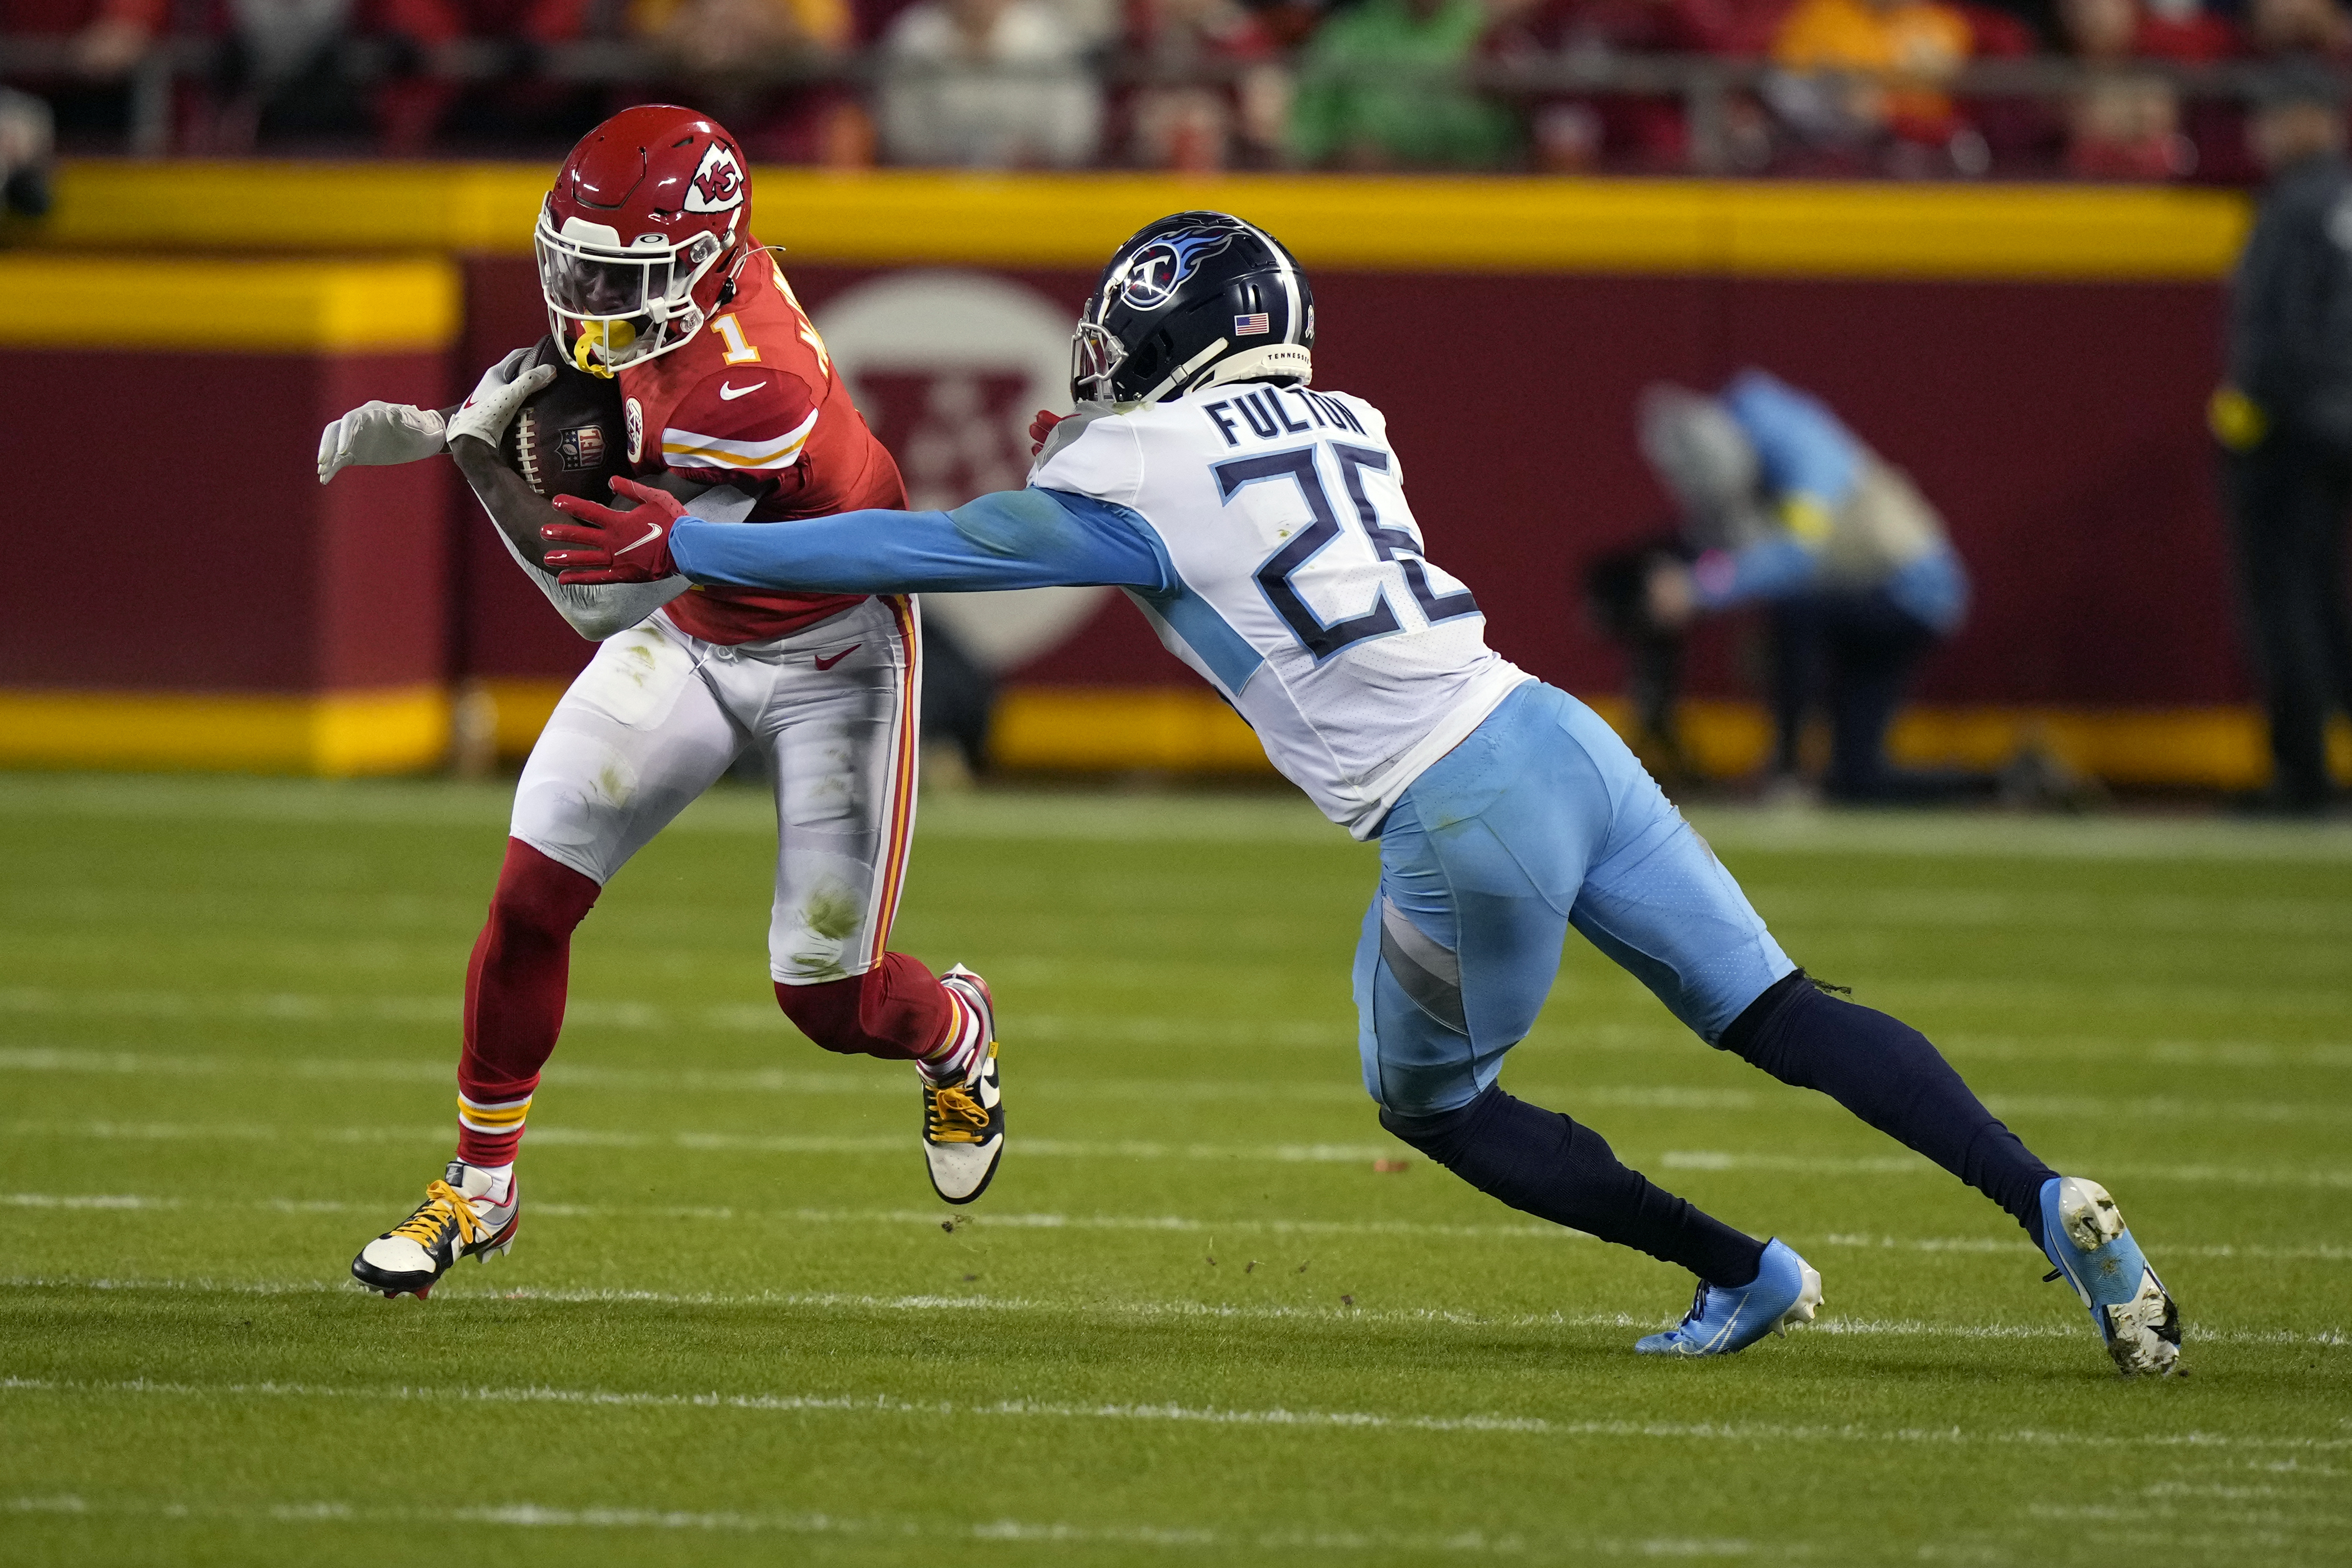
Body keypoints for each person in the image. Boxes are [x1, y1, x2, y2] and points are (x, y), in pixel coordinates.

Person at [535, 210, 2183, 1375]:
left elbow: (948, 546)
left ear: (1164, 335)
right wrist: (1080, 467)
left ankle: (1740, 1270)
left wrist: (693, 537)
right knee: (1778, 1007)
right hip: (1550, 730)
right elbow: (1168, 510)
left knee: (1432, 1109)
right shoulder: (1348, 420)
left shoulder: (1126, 472)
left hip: (1453, 813)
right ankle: (2047, 1200)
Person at [313, 103, 1006, 1300]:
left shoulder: (756, 389)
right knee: (533, 893)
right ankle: (482, 1189)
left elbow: (598, 601)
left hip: (831, 647)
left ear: (704, 263)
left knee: (828, 1000)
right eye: (577, 261)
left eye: (617, 273)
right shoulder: (668, 321)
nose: (585, 295)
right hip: (699, 629)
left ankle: (954, 1028)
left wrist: (478, 461)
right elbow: (590, 430)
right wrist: (453, 426)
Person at [1635, 371, 1982, 803]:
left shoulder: (1798, 447)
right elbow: (1733, 551)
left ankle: (1787, 771)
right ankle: (1999, 786)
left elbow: (1796, 556)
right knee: (1858, 781)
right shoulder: (1737, 438)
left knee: (1794, 608)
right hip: (1871, 593)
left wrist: (1698, 588)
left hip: (1911, 596)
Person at [2210, 63, 2352, 816]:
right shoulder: (2335, 200)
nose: (2259, 134)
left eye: (2273, 117)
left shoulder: (2298, 205)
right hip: (2337, 424)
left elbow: (2280, 340)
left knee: (2287, 603)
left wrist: (2251, 415)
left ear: (2311, 119)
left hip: (2296, 431)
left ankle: (2301, 774)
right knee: (2323, 605)